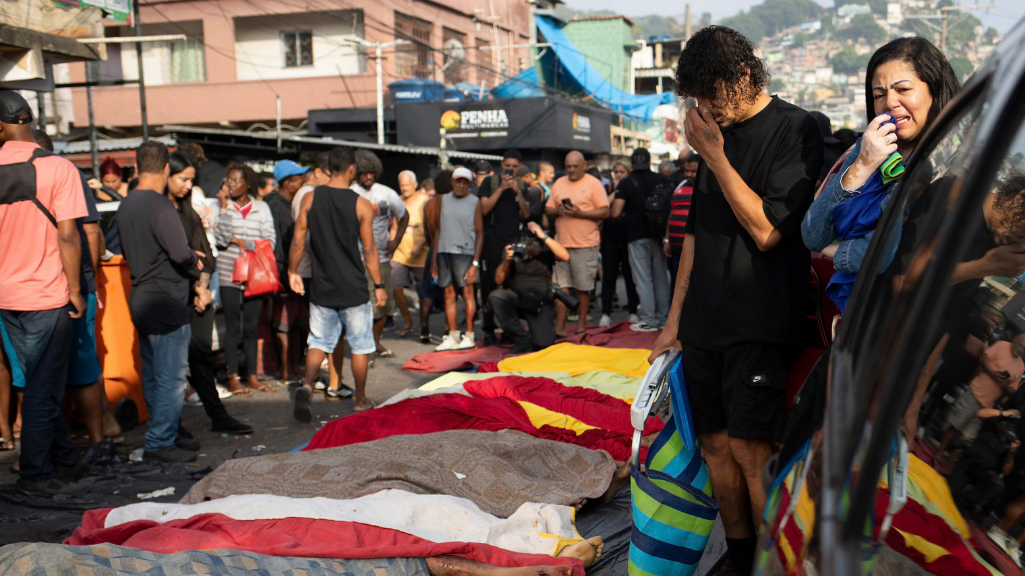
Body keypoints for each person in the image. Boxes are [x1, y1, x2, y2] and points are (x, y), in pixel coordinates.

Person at [651, 27, 823, 576]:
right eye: (695, 97)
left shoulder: (797, 128)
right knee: (714, 448)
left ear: (744, 75)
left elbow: (770, 230)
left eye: (711, 93)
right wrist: (672, 322)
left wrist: (715, 157)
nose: (704, 108)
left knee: (752, 452)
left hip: (760, 320)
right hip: (704, 320)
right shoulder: (711, 136)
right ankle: (741, 554)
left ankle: (774, 562)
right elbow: (696, 239)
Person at [802, 37, 960, 314]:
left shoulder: (951, 160)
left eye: (903, 89)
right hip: (865, 321)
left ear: (934, 90)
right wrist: (862, 165)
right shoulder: (869, 148)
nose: (890, 102)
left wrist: (838, 252)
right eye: (879, 95)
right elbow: (813, 235)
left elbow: (891, 253)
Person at [0, 90, 89, 494]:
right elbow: (69, 236)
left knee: (36, 380)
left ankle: (64, 457)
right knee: (43, 387)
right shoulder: (58, 168)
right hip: (46, 294)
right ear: (30, 118)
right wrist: (76, 290)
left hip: (5, 298)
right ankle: (37, 472)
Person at [30, 130, 121, 452]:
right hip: (52, 287)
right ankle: (74, 439)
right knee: (69, 369)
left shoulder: (63, 172)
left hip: (62, 286)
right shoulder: (55, 173)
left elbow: (88, 230)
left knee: (76, 368)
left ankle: (92, 439)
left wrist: (85, 281)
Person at [117, 140, 207, 463]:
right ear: (166, 168)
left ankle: (162, 435)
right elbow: (179, 251)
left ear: (138, 166)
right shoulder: (160, 206)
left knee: (155, 373)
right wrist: (193, 261)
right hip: (165, 299)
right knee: (171, 378)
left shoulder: (127, 204)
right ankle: (159, 441)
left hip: (141, 294)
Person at [289, 147, 386, 419]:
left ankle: (307, 385)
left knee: (318, 341)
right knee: (360, 345)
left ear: (328, 168)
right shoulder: (360, 204)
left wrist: (293, 272)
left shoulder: (310, 198)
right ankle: (361, 399)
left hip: (322, 285)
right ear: (352, 169)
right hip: (353, 287)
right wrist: (379, 284)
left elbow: (298, 240)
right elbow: (369, 251)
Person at [164, 151, 252, 435]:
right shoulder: (160, 211)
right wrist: (197, 286)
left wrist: (201, 286)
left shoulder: (189, 209)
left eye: (191, 179)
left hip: (197, 295)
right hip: (171, 297)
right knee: (172, 365)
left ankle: (217, 415)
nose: (188, 186)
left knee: (201, 358)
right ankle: (171, 425)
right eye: (183, 179)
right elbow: (174, 258)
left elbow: (206, 254)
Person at [214, 163, 277, 396]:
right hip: (228, 273)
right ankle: (233, 378)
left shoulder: (262, 208)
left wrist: (242, 243)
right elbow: (220, 240)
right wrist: (222, 208)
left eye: (234, 180)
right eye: (227, 180)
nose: (229, 185)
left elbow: (270, 241)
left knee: (251, 328)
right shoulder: (221, 206)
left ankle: (252, 377)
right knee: (232, 328)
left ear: (247, 183)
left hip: (255, 275)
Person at [545, 151, 610, 337]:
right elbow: (548, 210)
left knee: (583, 287)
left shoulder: (594, 184)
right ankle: (560, 329)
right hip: (561, 244)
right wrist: (558, 210)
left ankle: (581, 327)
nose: (571, 170)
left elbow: (605, 212)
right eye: (568, 166)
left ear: (583, 166)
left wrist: (579, 213)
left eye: (575, 166)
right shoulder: (559, 183)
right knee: (561, 288)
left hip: (585, 244)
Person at [351, 151, 408, 358]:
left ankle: (375, 342)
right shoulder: (350, 191)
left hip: (382, 259)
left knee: (384, 306)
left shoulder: (386, 193)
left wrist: (395, 242)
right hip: (355, 259)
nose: (368, 177)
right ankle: (363, 345)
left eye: (372, 173)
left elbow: (404, 215)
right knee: (360, 306)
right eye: (364, 173)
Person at [611, 148, 672, 332]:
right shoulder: (661, 179)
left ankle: (649, 320)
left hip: (636, 235)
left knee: (643, 279)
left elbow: (614, 212)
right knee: (661, 278)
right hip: (660, 235)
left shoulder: (625, 183)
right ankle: (664, 318)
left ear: (632, 163)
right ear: (648, 161)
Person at [490, 221, 570, 354]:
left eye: (531, 248)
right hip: (518, 299)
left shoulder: (545, 253)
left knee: (543, 344)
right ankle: (522, 339)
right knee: (496, 297)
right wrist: (507, 260)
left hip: (539, 302)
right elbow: (498, 279)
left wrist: (542, 235)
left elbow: (565, 256)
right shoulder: (512, 251)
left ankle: (538, 333)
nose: (528, 251)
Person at [478, 150, 531, 345]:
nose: (510, 169)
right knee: (489, 285)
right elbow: (484, 209)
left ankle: (510, 329)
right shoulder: (489, 183)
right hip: (492, 242)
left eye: (514, 166)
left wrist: (517, 191)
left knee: (512, 285)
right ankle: (489, 330)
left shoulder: (523, 186)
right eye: (507, 165)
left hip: (513, 240)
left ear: (519, 167)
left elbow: (526, 214)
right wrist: (500, 188)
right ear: (501, 165)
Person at [266, 160, 310, 383]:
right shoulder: (276, 206)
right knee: (285, 323)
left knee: (297, 324)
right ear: (286, 183)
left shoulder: (286, 203)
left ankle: (293, 367)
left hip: (289, 271)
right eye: (297, 180)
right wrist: (287, 273)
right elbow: (283, 244)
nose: (301, 182)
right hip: (283, 273)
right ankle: (286, 371)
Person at [431, 167, 484, 351]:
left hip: (465, 253)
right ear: (452, 182)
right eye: (458, 181)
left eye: (465, 182)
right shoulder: (442, 200)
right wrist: (434, 259)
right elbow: (438, 229)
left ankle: (469, 334)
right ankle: (452, 335)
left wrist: (475, 263)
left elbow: (480, 233)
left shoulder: (474, 202)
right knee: (448, 294)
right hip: (444, 251)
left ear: (469, 184)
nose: (461, 185)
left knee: (468, 294)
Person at [599, 162, 640, 328]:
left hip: (628, 237)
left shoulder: (632, 188)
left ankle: (633, 311)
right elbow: (603, 207)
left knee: (630, 277)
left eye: (621, 171)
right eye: (615, 171)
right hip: (609, 239)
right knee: (608, 277)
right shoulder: (608, 190)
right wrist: (617, 191)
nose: (618, 174)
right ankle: (605, 313)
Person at [392, 169, 430, 337]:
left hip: (421, 254)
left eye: (407, 185)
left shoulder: (424, 201)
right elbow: (394, 226)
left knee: (423, 291)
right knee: (395, 287)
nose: (404, 188)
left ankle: (423, 323)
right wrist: (391, 245)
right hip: (400, 254)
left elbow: (431, 227)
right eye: (402, 185)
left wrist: (420, 244)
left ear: (415, 185)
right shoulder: (398, 201)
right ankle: (408, 320)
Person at [419, 169, 453, 345]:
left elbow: (427, 233)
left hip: (432, 249)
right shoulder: (451, 203)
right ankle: (448, 329)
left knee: (427, 292)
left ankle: (423, 327)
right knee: (449, 290)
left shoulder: (428, 205)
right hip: (448, 250)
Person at [665, 153, 699, 294]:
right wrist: (666, 240)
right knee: (676, 282)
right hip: (676, 246)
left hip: (694, 249)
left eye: (693, 171)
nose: (688, 174)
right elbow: (672, 212)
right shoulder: (680, 185)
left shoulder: (705, 188)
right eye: (686, 170)